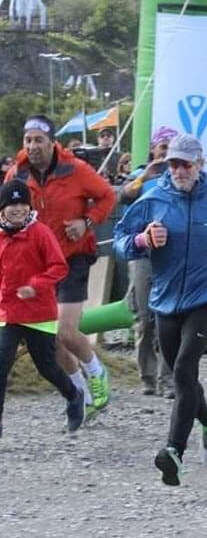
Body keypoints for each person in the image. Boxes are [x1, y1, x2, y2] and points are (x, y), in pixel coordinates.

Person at [114, 134, 207, 486]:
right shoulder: (153, 198)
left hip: (206, 297)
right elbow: (121, 241)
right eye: (174, 163)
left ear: (200, 164)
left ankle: (173, 451)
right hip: (165, 300)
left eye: (186, 163)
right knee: (183, 376)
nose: (179, 170)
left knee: (185, 369)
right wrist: (142, 240)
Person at [6, 115, 115, 414]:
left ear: (52, 141)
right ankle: (80, 393)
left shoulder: (76, 170)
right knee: (51, 342)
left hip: (72, 256)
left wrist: (87, 221)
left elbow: (107, 196)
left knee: (66, 331)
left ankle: (97, 373)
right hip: (38, 265)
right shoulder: (17, 175)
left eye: (38, 139)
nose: (32, 146)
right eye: (28, 140)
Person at [0, 180, 85, 438]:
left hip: (38, 312)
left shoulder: (41, 233)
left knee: (46, 366)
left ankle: (73, 394)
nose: (17, 209)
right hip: (8, 311)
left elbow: (59, 267)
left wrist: (35, 286)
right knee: (1, 365)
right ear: (2, 209)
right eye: (11, 204)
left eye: (22, 203)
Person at [119, 126, 178, 398]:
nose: (166, 153)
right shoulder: (141, 175)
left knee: (169, 318)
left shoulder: (181, 175)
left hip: (172, 258)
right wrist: (146, 174)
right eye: (162, 148)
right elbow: (123, 195)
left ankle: (169, 379)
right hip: (142, 256)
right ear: (154, 149)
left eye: (171, 148)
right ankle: (147, 377)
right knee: (144, 320)